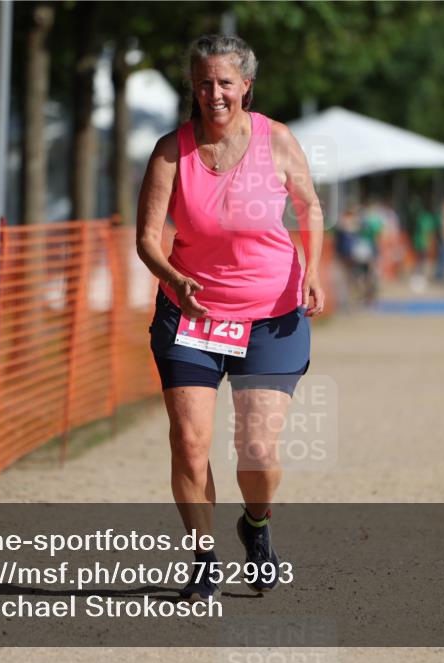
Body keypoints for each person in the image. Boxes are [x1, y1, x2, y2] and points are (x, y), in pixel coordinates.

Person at [135, 34, 324, 601]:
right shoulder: (172, 151)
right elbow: (147, 239)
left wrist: (312, 268)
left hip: (270, 315)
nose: (213, 93)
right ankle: (202, 557)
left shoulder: (277, 140)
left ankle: (257, 524)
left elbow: (310, 205)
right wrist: (173, 278)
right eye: (202, 82)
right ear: (191, 88)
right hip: (191, 312)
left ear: (245, 85)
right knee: (190, 442)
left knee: (257, 451)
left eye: (224, 82)